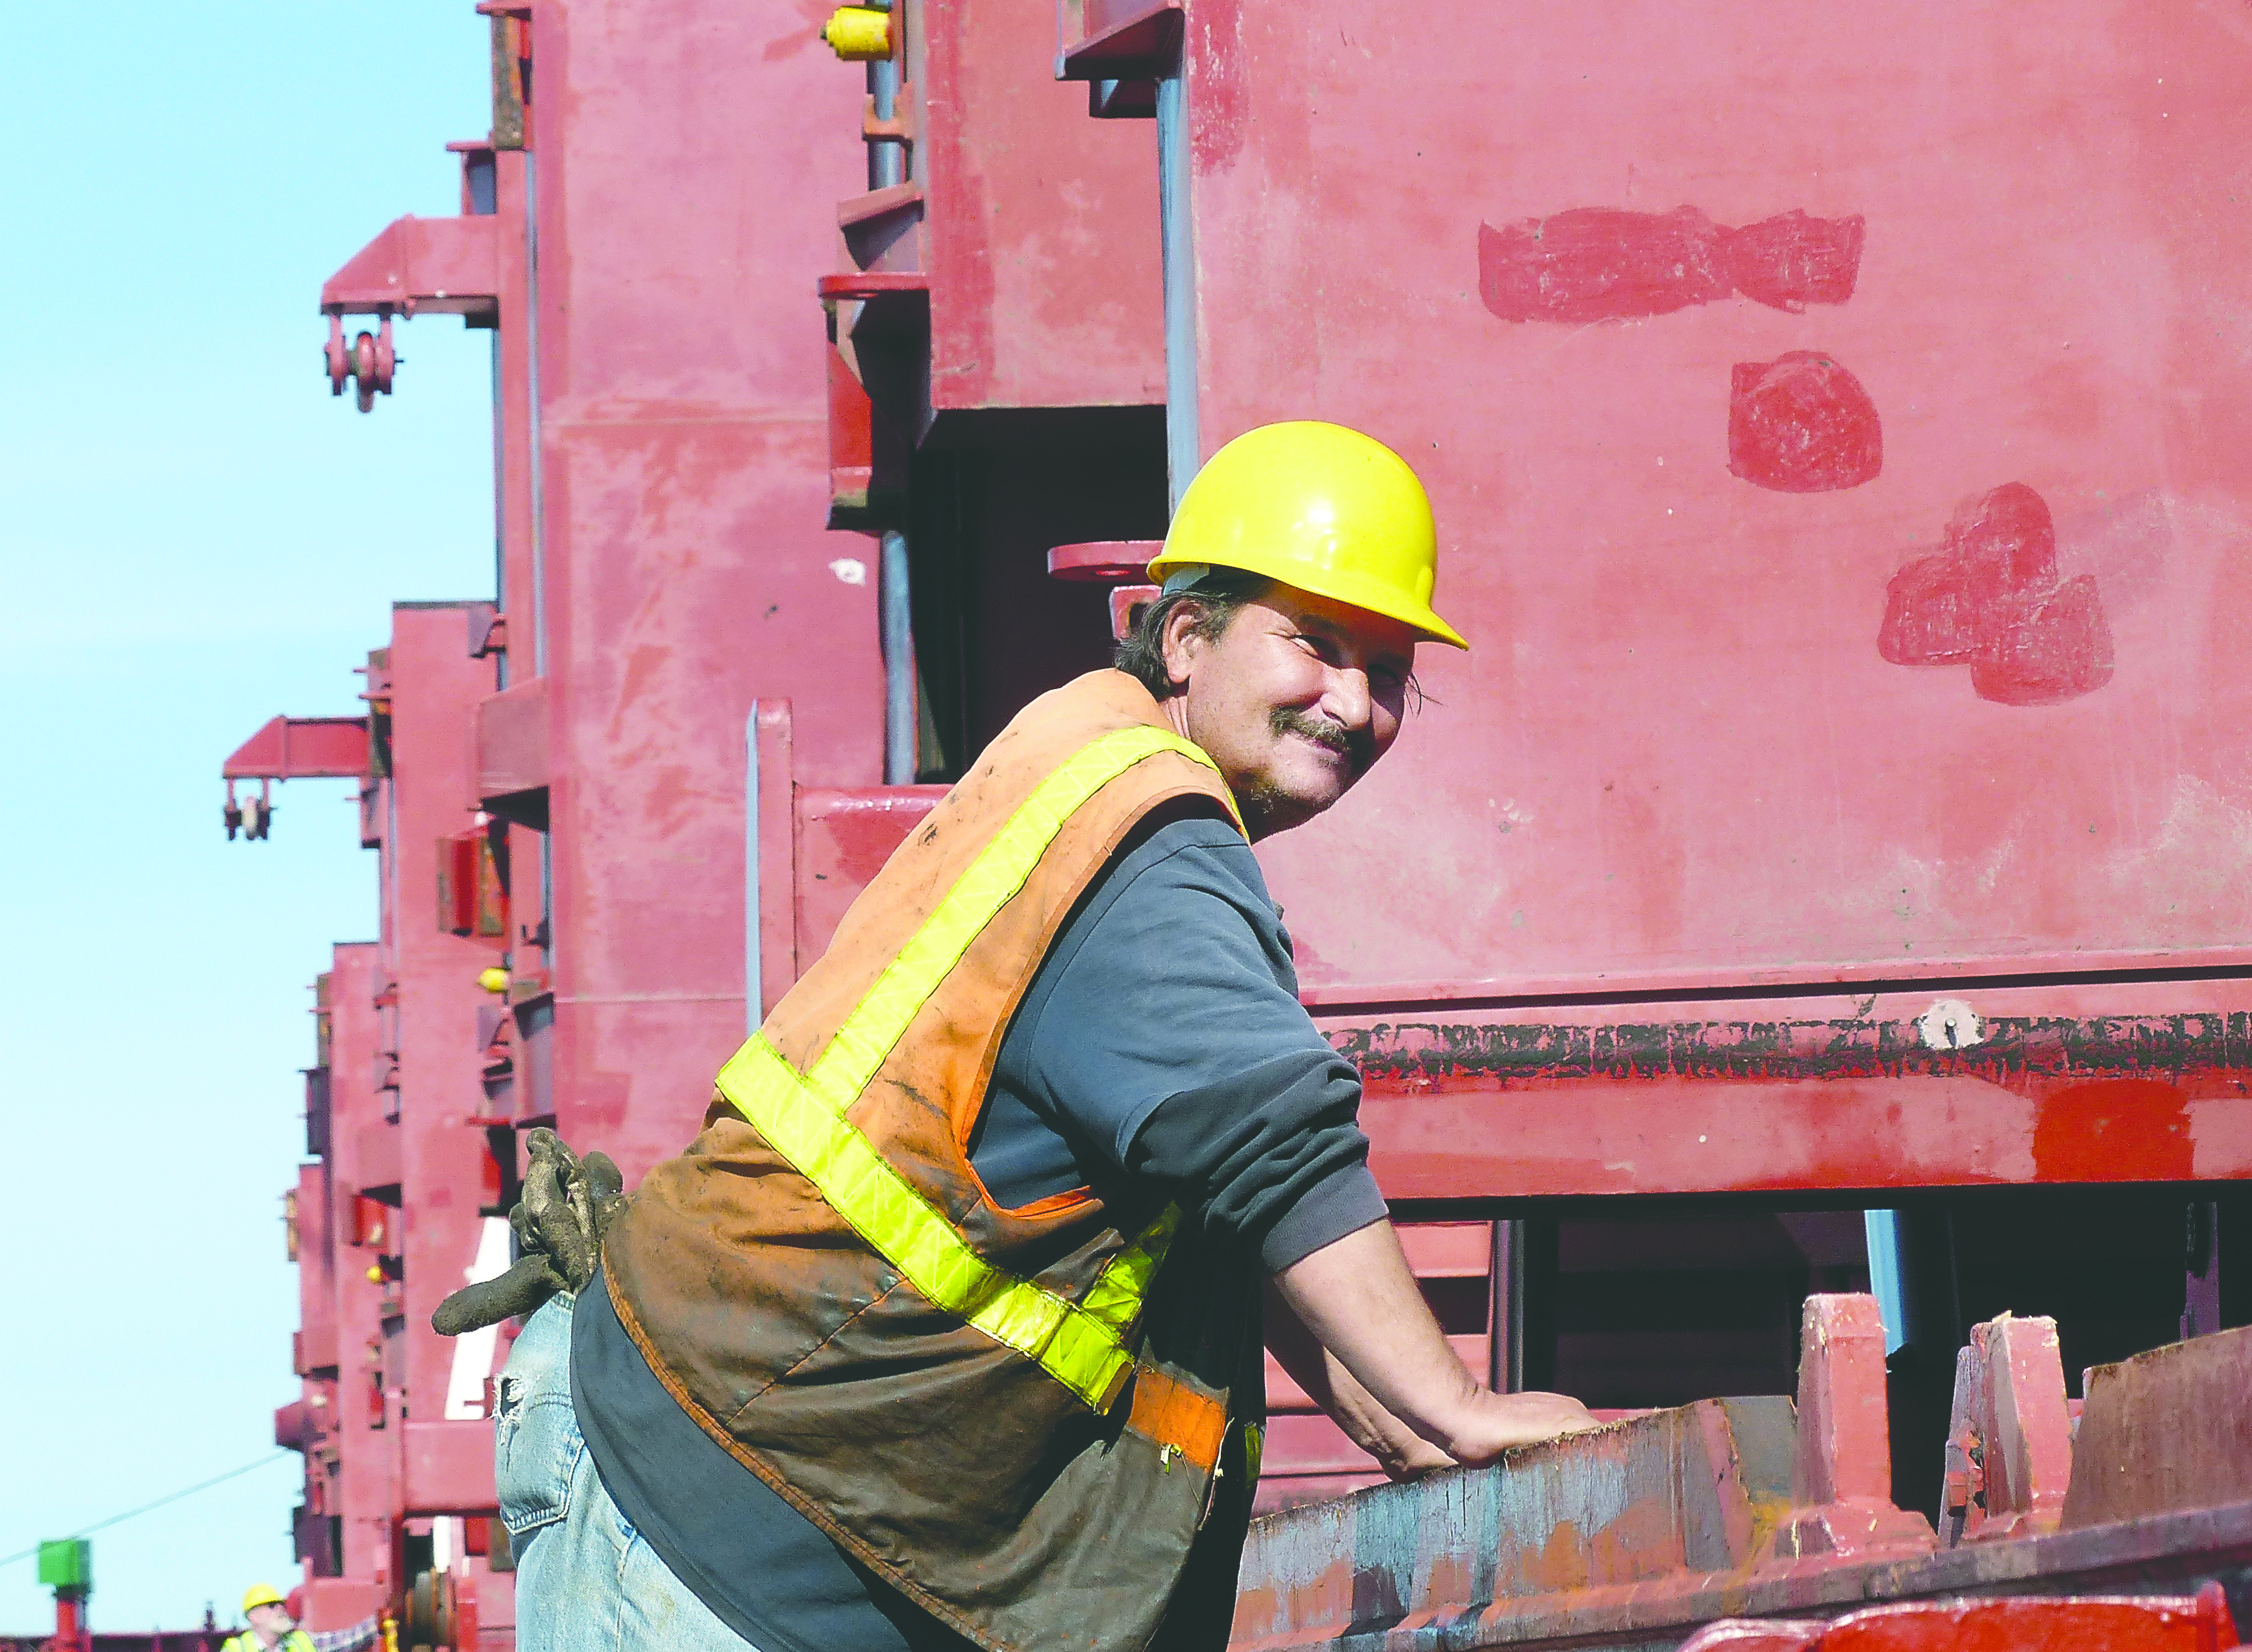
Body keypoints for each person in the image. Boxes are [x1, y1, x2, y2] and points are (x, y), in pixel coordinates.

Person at [447, 422, 1599, 1652]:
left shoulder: (1087, 772)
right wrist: (1457, 1407)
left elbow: (1200, 1194)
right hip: (716, 1501)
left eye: (1387, 668)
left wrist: (1378, 1411)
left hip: (712, 1454)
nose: (1355, 703)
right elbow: (1269, 1137)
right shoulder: (1152, 843)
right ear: (1188, 637)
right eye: (1313, 645)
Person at [221, 1586, 315, 1652]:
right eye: (272, 1606)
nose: (281, 1609)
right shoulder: (236, 1649)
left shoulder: (301, 1641)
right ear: (253, 1617)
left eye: (282, 1605)